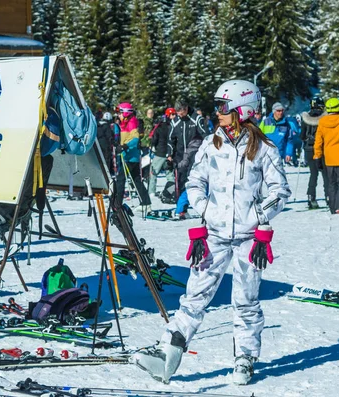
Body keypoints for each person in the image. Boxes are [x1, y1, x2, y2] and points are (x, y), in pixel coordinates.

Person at [133, 80, 290, 385]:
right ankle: (167, 353)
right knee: (194, 297)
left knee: (245, 299)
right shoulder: (210, 144)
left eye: (223, 107)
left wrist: (258, 216)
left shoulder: (264, 150)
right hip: (213, 236)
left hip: (248, 239)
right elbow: (194, 182)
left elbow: (280, 191)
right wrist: (204, 209)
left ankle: (245, 357)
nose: (218, 113)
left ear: (243, 110)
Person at [313, 98, 339, 216]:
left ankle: (333, 208)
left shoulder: (322, 122)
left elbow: (318, 141)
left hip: (329, 158)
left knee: (331, 183)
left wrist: (317, 155)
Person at [113, 102, 151, 211]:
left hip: (129, 156)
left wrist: (125, 146)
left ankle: (118, 204)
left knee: (121, 179)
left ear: (125, 113)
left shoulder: (132, 122)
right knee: (136, 180)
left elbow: (135, 139)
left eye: (119, 113)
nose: (118, 115)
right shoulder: (125, 123)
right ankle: (146, 203)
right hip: (130, 156)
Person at [167, 102, 207, 200]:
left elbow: (205, 135)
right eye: (177, 113)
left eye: (180, 113)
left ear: (186, 109)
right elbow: (170, 139)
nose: (179, 115)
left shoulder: (196, 118)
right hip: (180, 156)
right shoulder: (175, 121)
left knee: (194, 180)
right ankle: (181, 209)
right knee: (180, 181)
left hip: (194, 155)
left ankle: (196, 202)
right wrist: (169, 154)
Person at [300, 96, 329, 209]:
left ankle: (311, 198)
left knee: (313, 174)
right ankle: (328, 196)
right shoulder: (325, 118)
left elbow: (302, 135)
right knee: (325, 173)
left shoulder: (306, 118)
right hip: (322, 148)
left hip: (309, 149)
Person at [149, 108, 175, 196]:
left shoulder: (159, 127)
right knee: (170, 175)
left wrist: (153, 146)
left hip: (160, 153)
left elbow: (154, 139)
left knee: (153, 173)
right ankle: (170, 192)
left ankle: (152, 191)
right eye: (172, 114)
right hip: (169, 154)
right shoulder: (174, 126)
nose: (174, 116)